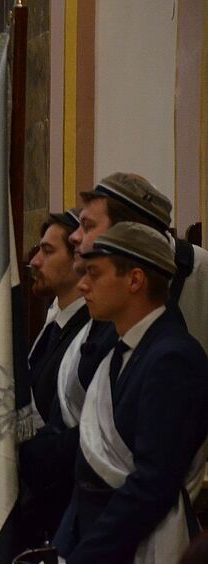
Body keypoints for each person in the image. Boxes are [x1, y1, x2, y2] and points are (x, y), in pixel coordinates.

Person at [55, 222, 208, 564]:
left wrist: (87, 556)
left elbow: (152, 485)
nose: (82, 285)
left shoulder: (173, 358)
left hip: (136, 548)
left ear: (135, 280)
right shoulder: (124, 350)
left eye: (94, 273)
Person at [69, 172, 208, 352]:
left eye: (88, 226)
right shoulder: (97, 287)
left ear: (129, 232)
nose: (73, 237)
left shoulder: (201, 271)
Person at [17, 211, 90, 545]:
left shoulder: (90, 334)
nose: (34, 261)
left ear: (79, 258)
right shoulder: (54, 325)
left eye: (47, 251)